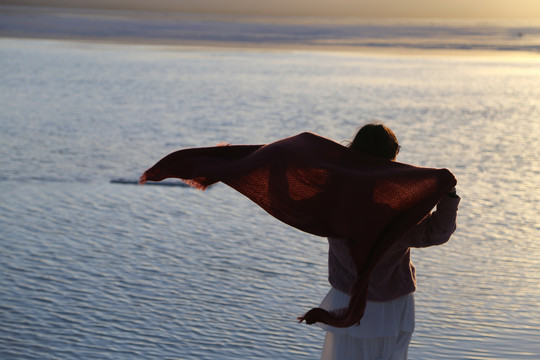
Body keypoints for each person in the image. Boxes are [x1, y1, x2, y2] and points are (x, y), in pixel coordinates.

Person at [317, 123, 460, 360]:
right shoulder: (396, 205)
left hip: (347, 297)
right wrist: (449, 197)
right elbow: (436, 233)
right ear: (392, 156)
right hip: (389, 304)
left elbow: (302, 205)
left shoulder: (335, 197)